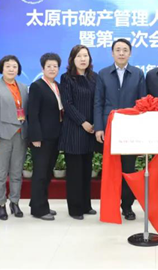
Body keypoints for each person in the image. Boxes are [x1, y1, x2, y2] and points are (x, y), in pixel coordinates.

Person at [94, 38, 146, 220]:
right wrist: (99, 128)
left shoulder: (138, 74)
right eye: (118, 50)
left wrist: (141, 131)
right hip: (109, 127)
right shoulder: (103, 73)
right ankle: (111, 205)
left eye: (125, 50)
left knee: (128, 170)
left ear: (130, 53)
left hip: (131, 129)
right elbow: (98, 102)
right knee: (111, 170)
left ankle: (127, 206)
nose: (121, 53)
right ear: (112, 53)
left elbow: (143, 104)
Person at [0, 55, 28, 221]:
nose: (11, 69)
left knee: (17, 172)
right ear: (1, 68)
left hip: (21, 135)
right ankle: (1, 204)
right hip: (1, 136)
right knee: (0, 173)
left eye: (14, 66)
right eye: (8, 66)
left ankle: (14, 202)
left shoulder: (23, 87)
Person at [59, 45, 98, 220]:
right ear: (72, 59)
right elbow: (67, 104)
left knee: (86, 171)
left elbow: (97, 102)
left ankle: (86, 205)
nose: (83, 59)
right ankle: (75, 209)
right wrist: (83, 122)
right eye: (79, 56)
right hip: (74, 130)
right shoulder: (67, 78)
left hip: (90, 131)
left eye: (85, 56)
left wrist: (95, 123)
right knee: (75, 173)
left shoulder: (94, 78)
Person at [27, 53, 63, 221]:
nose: (52, 69)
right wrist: (35, 137)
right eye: (49, 66)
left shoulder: (57, 86)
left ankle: (39, 203)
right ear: (43, 68)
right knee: (40, 173)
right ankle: (39, 210)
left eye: (55, 66)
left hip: (54, 136)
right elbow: (32, 114)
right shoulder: (37, 86)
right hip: (41, 138)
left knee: (47, 173)